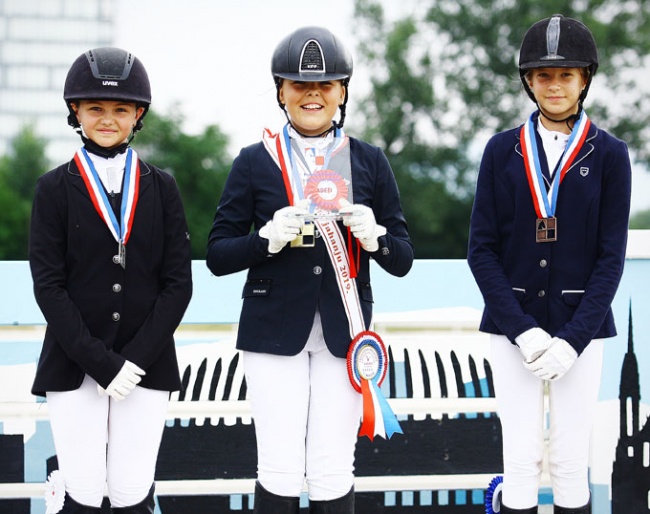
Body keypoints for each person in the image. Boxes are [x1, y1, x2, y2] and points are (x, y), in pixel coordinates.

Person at [206, 26, 413, 514]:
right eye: (299, 85)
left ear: (342, 91)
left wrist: (376, 237)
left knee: (333, 465)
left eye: (325, 84)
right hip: (273, 331)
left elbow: (402, 259)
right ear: (281, 91)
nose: (313, 94)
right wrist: (265, 239)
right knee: (278, 464)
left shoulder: (369, 161)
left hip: (346, 335)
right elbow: (218, 255)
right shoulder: (255, 162)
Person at [468, 14, 631, 514]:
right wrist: (523, 331)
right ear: (528, 82)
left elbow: (610, 258)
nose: (554, 85)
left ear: (584, 79)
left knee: (567, 458)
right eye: (543, 75)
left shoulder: (610, 155)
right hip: (511, 326)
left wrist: (572, 340)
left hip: (580, 328)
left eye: (565, 74)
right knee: (518, 456)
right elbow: (482, 250)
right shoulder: (501, 151)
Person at [29, 47, 193, 514]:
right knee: (82, 490)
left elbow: (178, 283)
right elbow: (49, 286)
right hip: (74, 360)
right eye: (96, 108)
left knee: (131, 490)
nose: (107, 119)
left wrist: (134, 360)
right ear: (75, 112)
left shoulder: (162, 187)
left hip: (145, 365)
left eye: (120, 109)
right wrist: (102, 363)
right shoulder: (53, 188)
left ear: (137, 115)